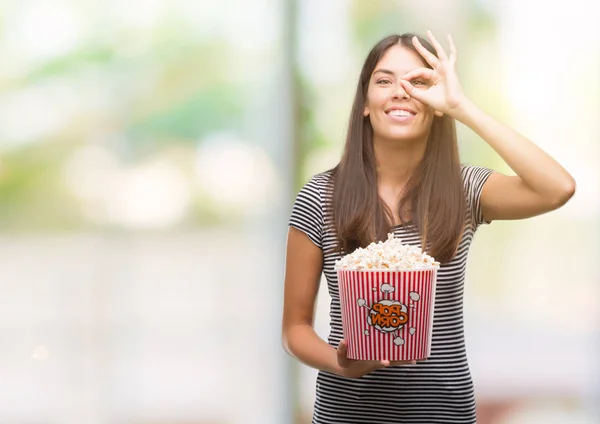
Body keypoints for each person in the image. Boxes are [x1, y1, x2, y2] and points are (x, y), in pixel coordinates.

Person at [281, 31, 575, 424]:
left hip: (444, 413)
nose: (400, 91)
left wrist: (461, 106)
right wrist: (340, 362)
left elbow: (558, 188)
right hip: (347, 413)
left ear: (436, 104)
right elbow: (294, 330)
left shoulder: (465, 189)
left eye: (418, 82)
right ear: (365, 104)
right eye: (384, 81)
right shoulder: (321, 196)